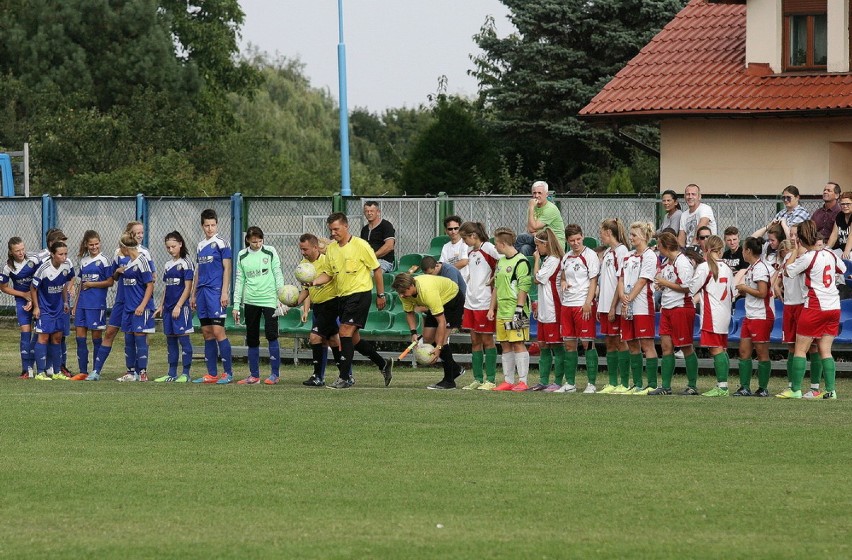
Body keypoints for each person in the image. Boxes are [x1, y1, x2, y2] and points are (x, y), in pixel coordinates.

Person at [311, 212, 393, 389]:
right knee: (354, 339)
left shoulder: (361, 245)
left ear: (346, 226)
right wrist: (314, 281)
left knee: (344, 331)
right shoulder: (332, 249)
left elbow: (377, 270)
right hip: (343, 296)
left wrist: (380, 295)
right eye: (331, 230)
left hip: (360, 294)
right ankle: (383, 363)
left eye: (336, 229)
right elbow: (328, 274)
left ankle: (345, 378)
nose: (333, 233)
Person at [780, 220, 846, 399]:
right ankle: (831, 391)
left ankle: (795, 390)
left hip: (816, 306)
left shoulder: (808, 257)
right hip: (834, 306)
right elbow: (843, 268)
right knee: (825, 349)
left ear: (800, 240)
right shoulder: (830, 254)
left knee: (801, 349)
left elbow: (788, 272)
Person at [88, 222, 154, 381]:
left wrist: (143, 303)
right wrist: (117, 272)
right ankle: (96, 371)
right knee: (110, 333)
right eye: (135, 233)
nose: (139, 235)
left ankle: (138, 371)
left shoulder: (144, 254)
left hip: (137, 301)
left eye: (141, 232)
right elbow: (113, 278)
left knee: (138, 335)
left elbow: (152, 279)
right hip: (121, 301)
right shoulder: (118, 252)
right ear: (128, 234)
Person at [232, 226, 286, 385]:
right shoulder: (242, 255)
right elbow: (239, 280)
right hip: (250, 301)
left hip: (270, 300)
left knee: (271, 335)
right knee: (252, 338)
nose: (257, 244)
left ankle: (275, 374)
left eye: (260, 241)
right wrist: (236, 305)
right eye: (254, 241)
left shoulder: (270, 252)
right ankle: (254, 375)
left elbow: (277, 273)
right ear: (248, 240)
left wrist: (281, 296)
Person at [392, 272, 465, 390]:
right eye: (400, 293)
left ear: (411, 286)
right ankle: (455, 369)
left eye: (404, 292)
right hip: (438, 301)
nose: (402, 296)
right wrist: (413, 333)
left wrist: (439, 347)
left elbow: (441, 322)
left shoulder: (427, 293)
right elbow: (409, 313)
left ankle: (449, 381)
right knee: (427, 337)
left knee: (441, 340)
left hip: (452, 299)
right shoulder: (404, 293)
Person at [772, 238, 823, 398]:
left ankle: (814, 387)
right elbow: (782, 275)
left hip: (805, 304)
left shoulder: (809, 257)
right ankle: (792, 386)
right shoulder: (789, 257)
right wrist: (776, 284)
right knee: (792, 347)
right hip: (789, 305)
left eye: (795, 235)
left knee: (813, 347)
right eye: (791, 235)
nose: (792, 238)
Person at [649, 232, 698, 395]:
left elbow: (686, 287)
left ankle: (692, 386)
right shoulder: (666, 263)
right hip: (668, 308)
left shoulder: (682, 262)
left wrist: (665, 283)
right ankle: (666, 387)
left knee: (685, 346)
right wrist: (662, 286)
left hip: (681, 308)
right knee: (666, 346)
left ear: (665, 246)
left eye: (659, 245)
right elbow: (671, 283)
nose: (658, 248)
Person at [191, 208, 234, 384]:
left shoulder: (222, 243)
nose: (210, 228)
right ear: (202, 226)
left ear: (217, 224)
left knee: (218, 331)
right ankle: (211, 374)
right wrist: (193, 294)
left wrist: (224, 291)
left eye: (213, 225)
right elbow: (198, 271)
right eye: (207, 225)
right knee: (207, 332)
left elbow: (227, 268)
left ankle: (228, 373)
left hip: (215, 292)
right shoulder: (200, 245)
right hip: (201, 292)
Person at [688, 235, 735, 396]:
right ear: (721, 249)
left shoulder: (704, 267)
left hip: (712, 314)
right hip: (725, 312)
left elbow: (691, 289)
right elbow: (733, 292)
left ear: (706, 249)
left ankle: (722, 387)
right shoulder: (728, 268)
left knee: (716, 350)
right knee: (721, 348)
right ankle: (723, 385)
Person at [616, 221, 658, 394]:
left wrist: (628, 299)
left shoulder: (649, 256)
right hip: (627, 305)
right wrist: (622, 298)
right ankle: (638, 384)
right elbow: (620, 278)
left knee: (646, 343)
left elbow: (642, 281)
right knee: (631, 343)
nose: (631, 238)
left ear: (643, 236)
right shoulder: (628, 256)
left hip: (642, 306)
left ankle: (652, 384)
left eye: (634, 235)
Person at [457, 221, 500, 391]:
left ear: (473, 236)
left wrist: (495, 276)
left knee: (487, 340)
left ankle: (491, 379)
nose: (463, 242)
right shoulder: (471, 251)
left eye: (464, 238)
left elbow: (504, 260)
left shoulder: (488, 247)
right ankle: (477, 378)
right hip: (471, 302)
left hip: (484, 301)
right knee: (474, 340)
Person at [558, 224, 600, 393]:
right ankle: (570, 383)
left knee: (587, 343)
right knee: (569, 344)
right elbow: (562, 273)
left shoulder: (590, 256)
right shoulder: (566, 257)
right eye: (572, 240)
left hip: (583, 305)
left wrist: (588, 302)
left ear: (583, 237)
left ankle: (591, 383)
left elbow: (594, 280)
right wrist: (562, 281)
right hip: (567, 305)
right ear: (568, 241)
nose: (575, 243)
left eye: (578, 239)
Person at [297, 233, 342, 387]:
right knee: (332, 340)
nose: (303, 252)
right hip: (318, 307)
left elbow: (333, 278)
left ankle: (318, 376)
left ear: (315, 247)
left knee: (315, 337)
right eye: (301, 249)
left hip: (331, 304)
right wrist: (295, 301)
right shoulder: (304, 265)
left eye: (306, 249)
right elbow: (306, 289)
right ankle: (344, 374)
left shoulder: (326, 260)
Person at [490, 227, 533, 391]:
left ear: (502, 244)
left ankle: (523, 381)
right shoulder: (500, 262)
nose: (495, 247)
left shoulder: (521, 261)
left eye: (496, 244)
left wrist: (519, 309)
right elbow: (496, 286)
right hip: (502, 311)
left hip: (517, 310)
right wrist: (491, 308)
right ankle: (508, 380)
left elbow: (524, 287)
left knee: (518, 343)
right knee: (505, 344)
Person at [733, 237, 774, 397]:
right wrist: (745, 290)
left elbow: (762, 293)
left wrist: (745, 288)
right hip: (750, 315)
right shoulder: (752, 268)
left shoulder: (760, 269)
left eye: (743, 249)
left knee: (762, 352)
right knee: (744, 351)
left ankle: (763, 388)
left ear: (748, 251)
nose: (742, 252)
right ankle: (744, 387)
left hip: (761, 316)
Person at [153, 231, 194, 383]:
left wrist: (178, 306)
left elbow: (188, 287)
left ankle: (186, 374)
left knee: (184, 341)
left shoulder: (186, 263)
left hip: (180, 309)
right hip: (168, 309)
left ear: (180, 244)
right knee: (170, 341)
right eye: (168, 247)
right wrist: (161, 306)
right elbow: (166, 287)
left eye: (173, 246)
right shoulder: (168, 265)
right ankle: (171, 373)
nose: (170, 250)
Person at [31, 240, 75, 381]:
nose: (64, 257)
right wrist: (36, 307)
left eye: (65, 253)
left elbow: (64, 283)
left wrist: (65, 301)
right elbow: (33, 288)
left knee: (57, 338)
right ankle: (40, 372)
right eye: (60, 254)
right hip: (45, 308)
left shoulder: (67, 265)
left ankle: (57, 372)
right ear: (52, 255)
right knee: (43, 338)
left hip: (58, 308)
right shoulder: (43, 269)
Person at [72, 230, 113, 381]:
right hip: (82, 304)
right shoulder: (83, 261)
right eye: (91, 244)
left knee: (96, 337)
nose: (94, 247)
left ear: (100, 243)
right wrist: (75, 305)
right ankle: (83, 371)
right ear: (86, 245)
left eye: (96, 244)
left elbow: (110, 282)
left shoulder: (105, 260)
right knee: (80, 338)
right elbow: (80, 285)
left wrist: (92, 284)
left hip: (96, 304)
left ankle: (96, 371)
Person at [596, 219, 631, 394]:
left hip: (615, 307)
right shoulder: (609, 252)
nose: (600, 236)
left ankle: (624, 383)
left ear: (609, 232)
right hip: (604, 305)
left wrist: (612, 307)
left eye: (601, 232)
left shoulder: (622, 251)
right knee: (609, 341)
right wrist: (600, 306)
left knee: (619, 341)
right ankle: (612, 382)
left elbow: (621, 281)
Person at [116, 232, 156, 382]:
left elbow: (150, 285)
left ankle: (143, 372)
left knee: (140, 339)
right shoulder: (128, 263)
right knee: (128, 340)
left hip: (141, 308)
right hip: (128, 308)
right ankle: (131, 372)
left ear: (124, 248)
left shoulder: (142, 261)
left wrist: (142, 305)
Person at [528, 228, 565, 391]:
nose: (537, 250)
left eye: (538, 246)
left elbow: (536, 279)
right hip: (544, 309)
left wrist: (536, 260)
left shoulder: (554, 260)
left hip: (553, 309)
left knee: (556, 345)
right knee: (543, 345)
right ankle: (543, 381)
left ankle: (558, 381)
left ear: (546, 244)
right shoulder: (549, 259)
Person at [0, 237, 40, 378]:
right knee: (25, 332)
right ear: (11, 252)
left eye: (22, 249)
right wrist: (23, 294)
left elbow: (41, 279)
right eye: (17, 251)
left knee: (39, 332)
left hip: (38, 299)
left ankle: (38, 366)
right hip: (21, 301)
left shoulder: (34, 260)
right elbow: (4, 287)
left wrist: (33, 298)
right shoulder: (8, 267)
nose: (21, 252)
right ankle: (26, 370)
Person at [515, 181, 566, 256]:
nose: (536, 195)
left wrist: (531, 207)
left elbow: (534, 226)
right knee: (525, 248)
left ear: (546, 194)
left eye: (539, 193)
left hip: (554, 243)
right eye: (534, 193)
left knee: (522, 237)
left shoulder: (550, 208)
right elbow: (530, 229)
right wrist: (531, 208)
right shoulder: (532, 208)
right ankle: (526, 266)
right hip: (540, 240)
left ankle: (514, 258)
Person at [360, 201, 396, 272]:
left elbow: (389, 246)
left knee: (370, 274)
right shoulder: (364, 229)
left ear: (378, 212)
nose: (369, 213)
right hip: (367, 261)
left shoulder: (386, 225)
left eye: (372, 211)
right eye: (367, 211)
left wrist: (372, 256)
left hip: (384, 261)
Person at [439, 215, 469, 282]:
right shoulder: (446, 247)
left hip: (464, 281)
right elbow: (441, 264)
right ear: (446, 230)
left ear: (460, 229)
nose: (453, 231)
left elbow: (464, 262)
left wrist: (447, 269)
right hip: (449, 281)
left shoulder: (465, 243)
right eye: (450, 229)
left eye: (456, 228)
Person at [826, 191, 852, 258]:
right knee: (827, 256)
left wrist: (846, 251)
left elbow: (851, 236)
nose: (845, 206)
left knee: (848, 258)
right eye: (843, 204)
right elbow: (834, 235)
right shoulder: (840, 215)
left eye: (848, 204)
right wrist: (826, 249)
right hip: (841, 249)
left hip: (849, 250)